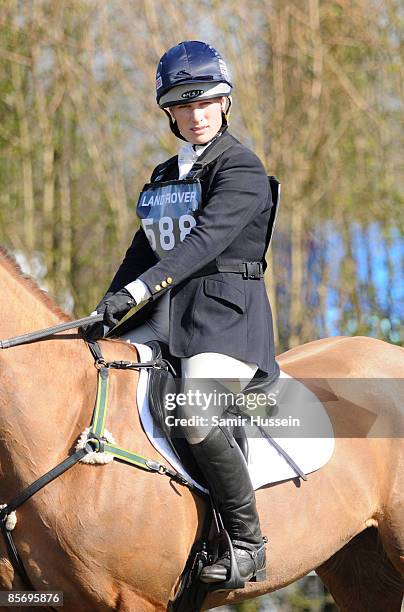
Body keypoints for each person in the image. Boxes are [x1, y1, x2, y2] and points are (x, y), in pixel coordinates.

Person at [85, 40, 279, 585]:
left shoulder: (242, 168)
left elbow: (201, 244)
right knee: (93, 369)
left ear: (224, 104)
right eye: (183, 105)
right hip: (170, 315)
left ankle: (247, 542)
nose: (196, 115)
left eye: (205, 103)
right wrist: (104, 310)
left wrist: (140, 291)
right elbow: (143, 250)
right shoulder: (165, 174)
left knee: (196, 414)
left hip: (226, 321)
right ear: (169, 112)